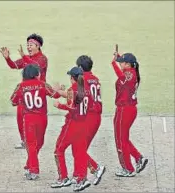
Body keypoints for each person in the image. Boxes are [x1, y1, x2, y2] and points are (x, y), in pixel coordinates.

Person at [10, 64, 60, 180]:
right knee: (39, 142)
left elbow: (13, 101)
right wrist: (58, 89)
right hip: (42, 118)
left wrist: (22, 101)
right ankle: (31, 167)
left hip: (28, 119)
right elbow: (55, 95)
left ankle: (32, 168)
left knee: (31, 144)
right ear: (36, 74)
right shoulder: (42, 84)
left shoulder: (21, 86)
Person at [0, 34, 47, 149]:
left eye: (31, 45)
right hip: (25, 92)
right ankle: (24, 140)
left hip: (37, 94)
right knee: (20, 117)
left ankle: (36, 140)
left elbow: (36, 66)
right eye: (27, 45)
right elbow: (14, 65)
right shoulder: (26, 58)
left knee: (36, 118)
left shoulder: (42, 59)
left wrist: (24, 57)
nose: (28, 47)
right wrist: (7, 58)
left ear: (38, 46)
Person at [51, 67, 91, 192]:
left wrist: (59, 105)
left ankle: (63, 178)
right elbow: (73, 99)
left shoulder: (73, 90)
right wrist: (60, 91)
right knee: (80, 152)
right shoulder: (86, 89)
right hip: (83, 124)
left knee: (59, 150)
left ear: (72, 78)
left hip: (72, 124)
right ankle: (81, 178)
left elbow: (71, 108)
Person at [111, 48, 148, 177]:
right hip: (127, 109)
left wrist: (113, 64)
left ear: (127, 64)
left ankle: (128, 168)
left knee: (120, 140)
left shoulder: (129, 74)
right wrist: (119, 58)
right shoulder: (131, 71)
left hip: (124, 110)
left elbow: (122, 76)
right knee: (123, 138)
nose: (120, 63)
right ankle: (138, 158)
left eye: (122, 62)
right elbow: (124, 74)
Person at [72, 55, 105, 185]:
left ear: (80, 67)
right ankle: (78, 174)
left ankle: (95, 169)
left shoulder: (82, 79)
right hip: (96, 117)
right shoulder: (95, 79)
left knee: (78, 149)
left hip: (88, 117)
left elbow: (78, 99)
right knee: (79, 147)